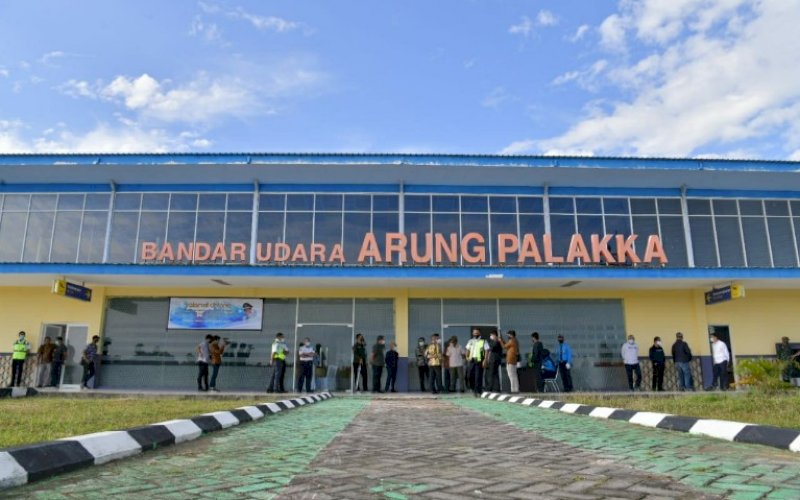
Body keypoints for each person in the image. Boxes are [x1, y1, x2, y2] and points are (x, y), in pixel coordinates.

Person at [465, 328, 489, 396]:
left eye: (477, 333)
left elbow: (487, 350)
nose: (475, 334)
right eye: (474, 333)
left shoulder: (483, 341)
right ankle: (472, 388)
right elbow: (467, 349)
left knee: (478, 376)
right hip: (471, 360)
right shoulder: (470, 341)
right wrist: (467, 356)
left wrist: (485, 360)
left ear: (479, 333)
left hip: (479, 360)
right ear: (473, 333)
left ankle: (478, 391)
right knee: (469, 375)